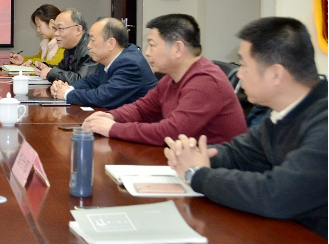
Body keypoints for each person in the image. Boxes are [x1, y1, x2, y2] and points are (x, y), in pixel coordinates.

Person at [165, 17, 326, 237]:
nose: (238, 75)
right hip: (290, 237)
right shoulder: (281, 115)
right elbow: (240, 155)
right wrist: (192, 155)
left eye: (244, 65)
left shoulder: (324, 124)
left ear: (275, 74)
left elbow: (275, 195)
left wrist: (197, 174)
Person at [82, 13, 246, 145]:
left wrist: (113, 128)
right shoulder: (171, 78)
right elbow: (142, 109)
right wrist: (111, 116)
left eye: (152, 45)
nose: (147, 53)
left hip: (212, 168)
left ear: (177, 48)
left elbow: (172, 132)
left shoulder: (205, 81)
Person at [51, 17, 157, 109]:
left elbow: (103, 97)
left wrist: (67, 93)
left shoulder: (130, 64)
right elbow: (91, 81)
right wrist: (65, 87)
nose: (88, 45)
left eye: (92, 40)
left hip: (140, 123)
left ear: (111, 43)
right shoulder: (110, 58)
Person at [35, 8, 99, 83]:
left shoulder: (90, 50)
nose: (56, 33)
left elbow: (82, 81)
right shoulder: (69, 48)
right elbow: (62, 70)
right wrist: (46, 67)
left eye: (60, 28)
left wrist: (51, 73)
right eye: (55, 28)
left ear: (78, 29)